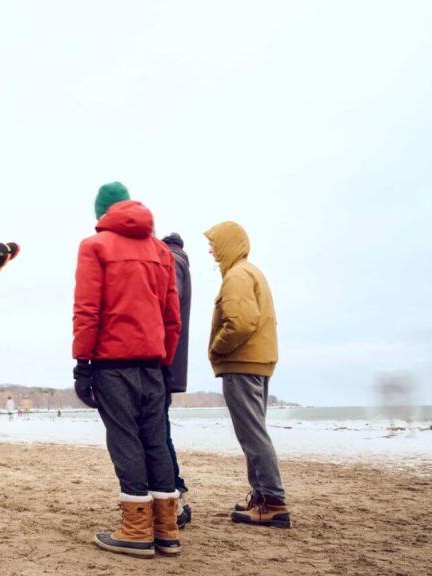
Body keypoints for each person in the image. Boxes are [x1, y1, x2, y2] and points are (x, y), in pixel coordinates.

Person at [73, 182, 182, 558]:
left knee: (125, 438)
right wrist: (166, 364)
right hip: (152, 364)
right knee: (155, 439)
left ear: (102, 213)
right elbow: (172, 317)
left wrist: (82, 364)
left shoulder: (95, 246)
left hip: (112, 363)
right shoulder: (161, 251)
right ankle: (166, 527)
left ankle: (136, 528)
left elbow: (88, 309)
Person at [205, 221, 289, 529]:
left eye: (214, 243)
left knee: (252, 435)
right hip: (256, 362)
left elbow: (241, 322)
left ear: (229, 243)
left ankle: (274, 502)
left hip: (242, 363)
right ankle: (263, 497)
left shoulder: (237, 275)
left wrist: (217, 347)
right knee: (254, 432)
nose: (211, 250)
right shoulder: (249, 271)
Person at [161, 233, 193, 528]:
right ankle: (174, 495)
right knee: (161, 431)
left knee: (159, 433)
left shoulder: (172, 261)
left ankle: (175, 496)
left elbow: (167, 310)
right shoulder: (180, 260)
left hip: (161, 362)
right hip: (168, 362)